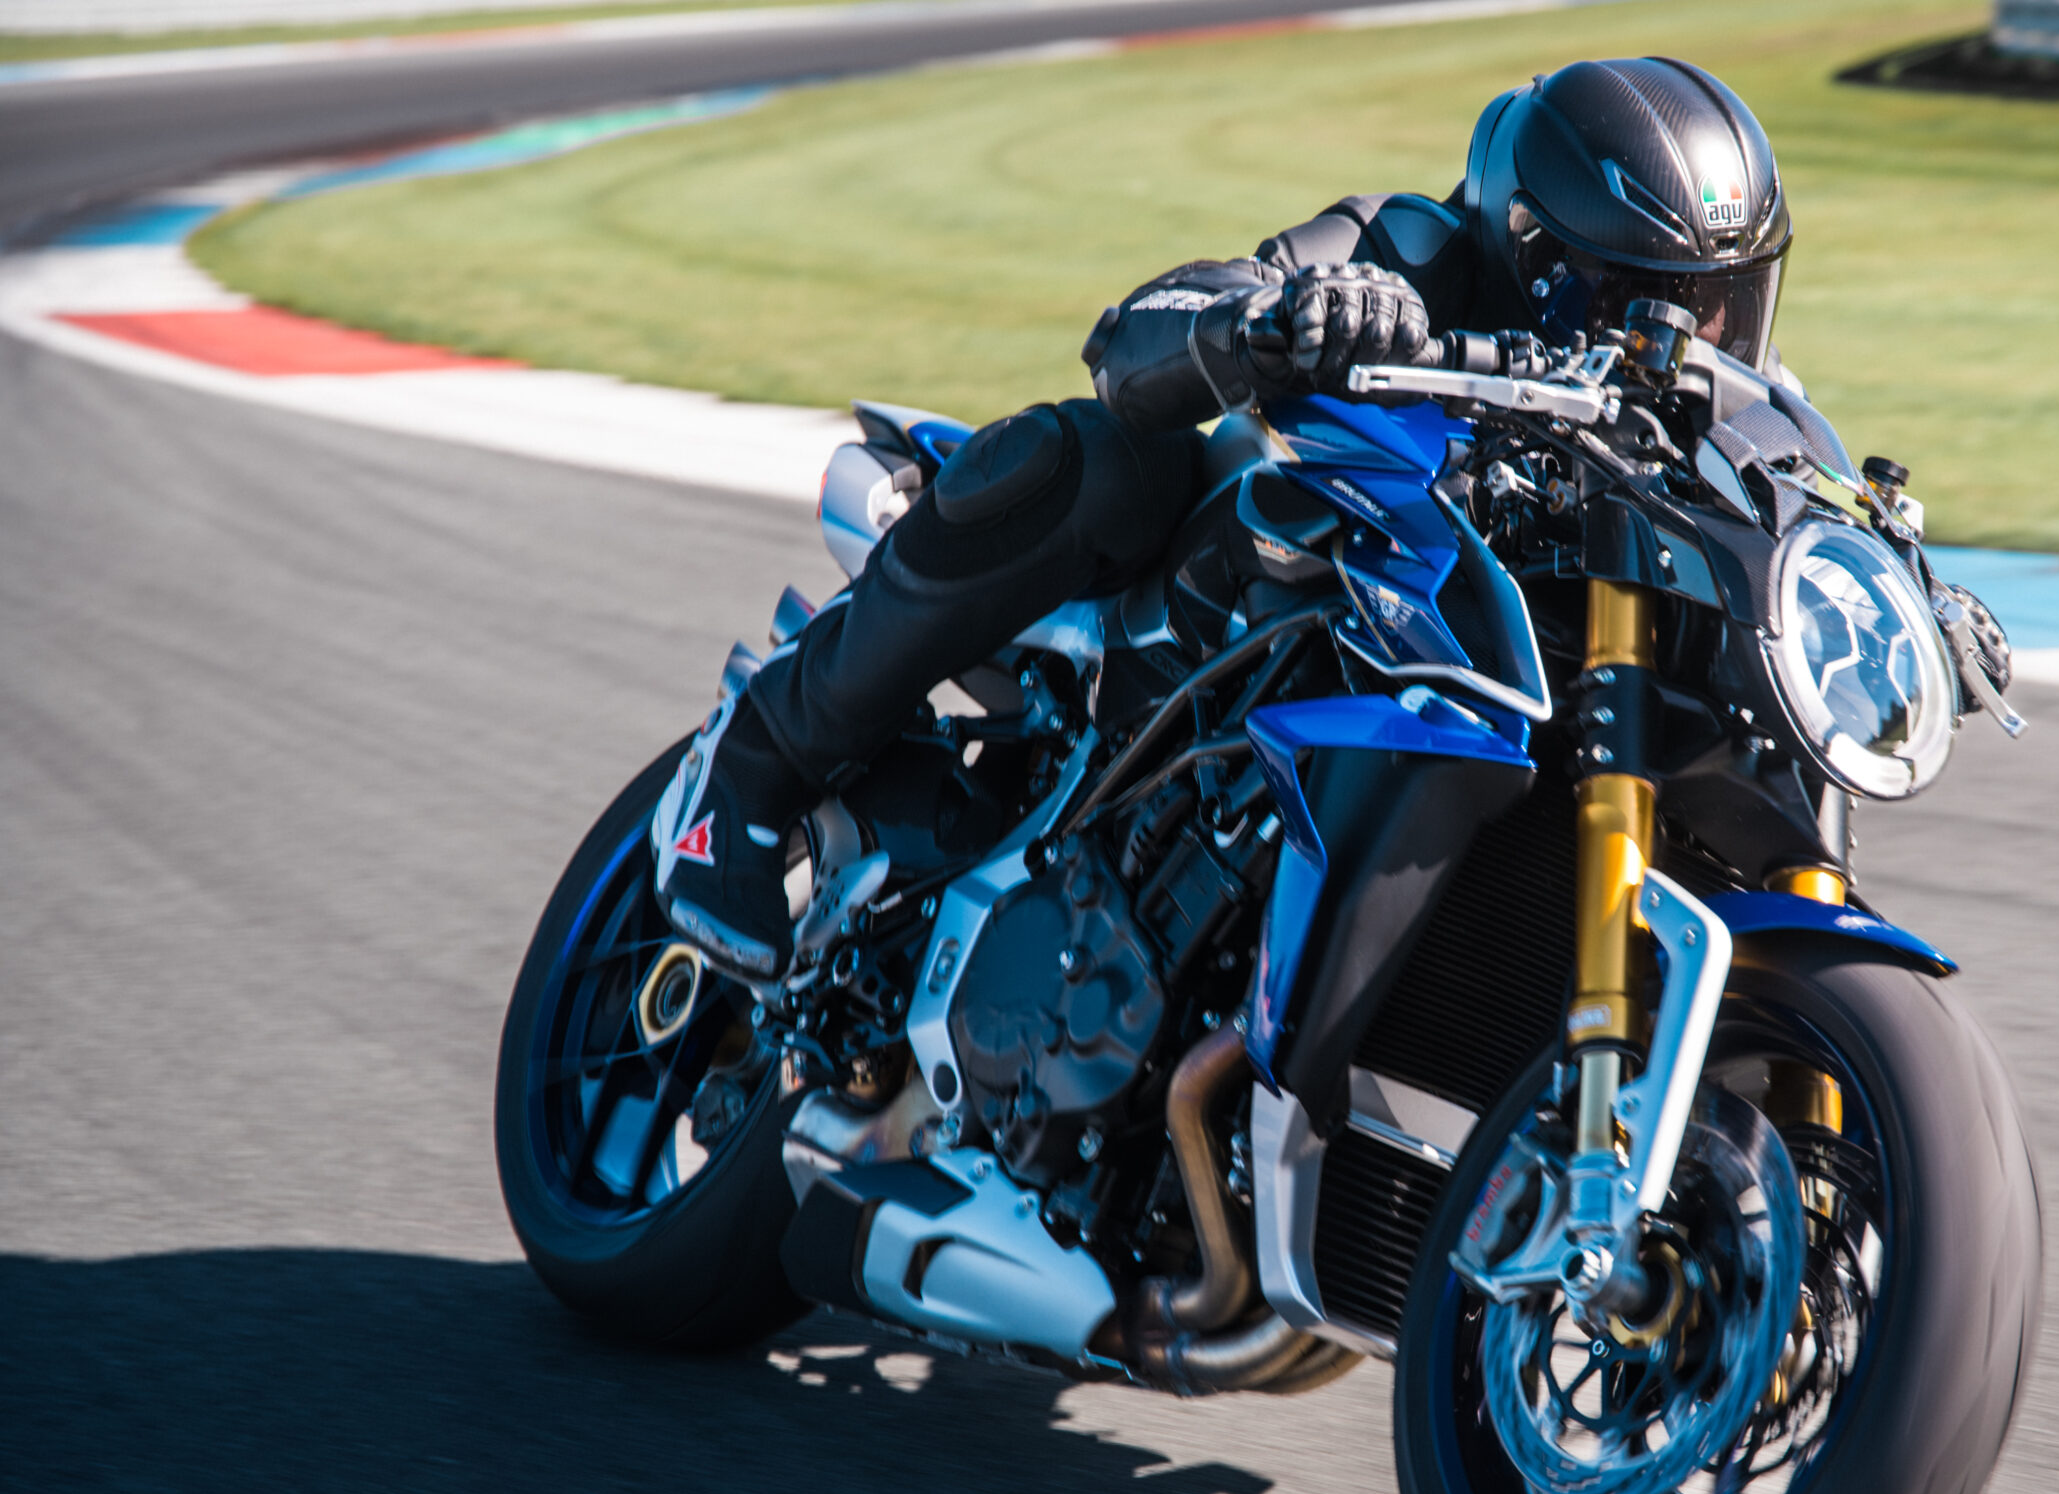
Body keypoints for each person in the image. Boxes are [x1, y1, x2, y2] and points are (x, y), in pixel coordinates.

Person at [653, 55, 1795, 978]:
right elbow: (1134, 335)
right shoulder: (1417, 248)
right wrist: (1278, 319)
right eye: (1641, 308)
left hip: (1518, 657)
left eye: (1721, 313)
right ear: (1534, 257)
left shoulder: (1725, 408)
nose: (1686, 348)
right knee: (1107, 461)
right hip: (1255, 592)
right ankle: (753, 763)